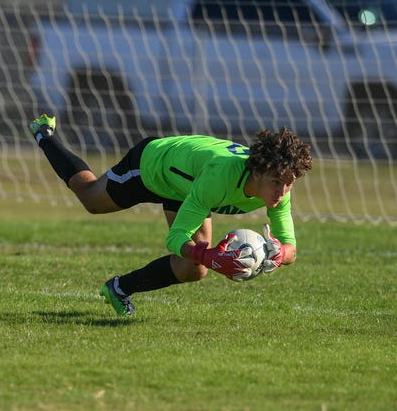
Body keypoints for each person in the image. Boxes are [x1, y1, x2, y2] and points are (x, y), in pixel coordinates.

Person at [29, 114, 312, 316]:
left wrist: (278, 254)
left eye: (290, 182)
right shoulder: (219, 179)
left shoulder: (279, 193)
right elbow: (175, 237)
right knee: (90, 197)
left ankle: (118, 288)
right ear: (258, 171)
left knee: (193, 269)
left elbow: (291, 249)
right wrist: (208, 254)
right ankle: (44, 133)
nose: (283, 190)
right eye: (277, 181)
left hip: (187, 184)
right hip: (153, 166)